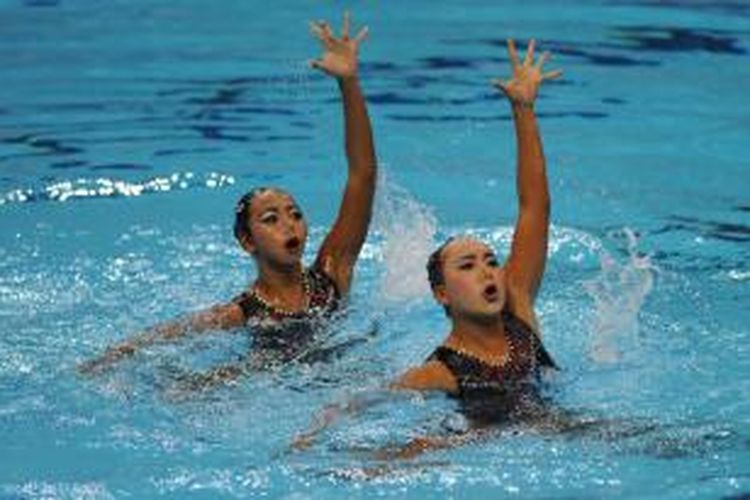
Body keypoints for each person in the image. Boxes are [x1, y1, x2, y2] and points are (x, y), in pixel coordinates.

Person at [293, 38, 563, 456]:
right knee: (416, 451)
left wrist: (523, 110)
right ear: (441, 293)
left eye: (491, 261)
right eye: (468, 266)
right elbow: (357, 403)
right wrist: (314, 433)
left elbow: (535, 209)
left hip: (557, 433)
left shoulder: (518, 310)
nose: (489, 271)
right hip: (480, 449)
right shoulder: (439, 372)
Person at [79, 13, 377, 381]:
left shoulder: (332, 274)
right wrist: (112, 357)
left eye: (294, 213)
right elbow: (162, 337)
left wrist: (349, 83)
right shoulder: (243, 313)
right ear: (247, 242)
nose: (290, 224)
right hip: (272, 392)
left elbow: (362, 176)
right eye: (271, 219)